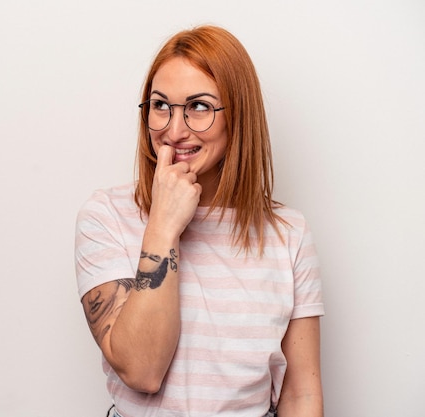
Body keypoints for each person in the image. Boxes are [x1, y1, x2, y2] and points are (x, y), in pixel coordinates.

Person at [74, 25, 324, 417]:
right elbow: (142, 371)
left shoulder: (287, 233)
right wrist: (163, 224)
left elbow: (301, 395)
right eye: (160, 105)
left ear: (238, 115)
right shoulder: (104, 216)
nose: (174, 131)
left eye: (200, 106)